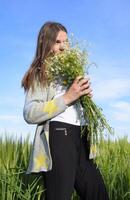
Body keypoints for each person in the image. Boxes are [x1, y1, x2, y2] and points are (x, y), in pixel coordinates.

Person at [22, 21, 109, 200]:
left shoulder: (71, 70)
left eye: (66, 41)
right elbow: (30, 113)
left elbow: (75, 101)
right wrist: (68, 98)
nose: (63, 47)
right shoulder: (41, 72)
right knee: (59, 195)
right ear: (46, 44)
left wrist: (85, 99)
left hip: (82, 136)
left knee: (98, 192)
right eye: (57, 42)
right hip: (59, 135)